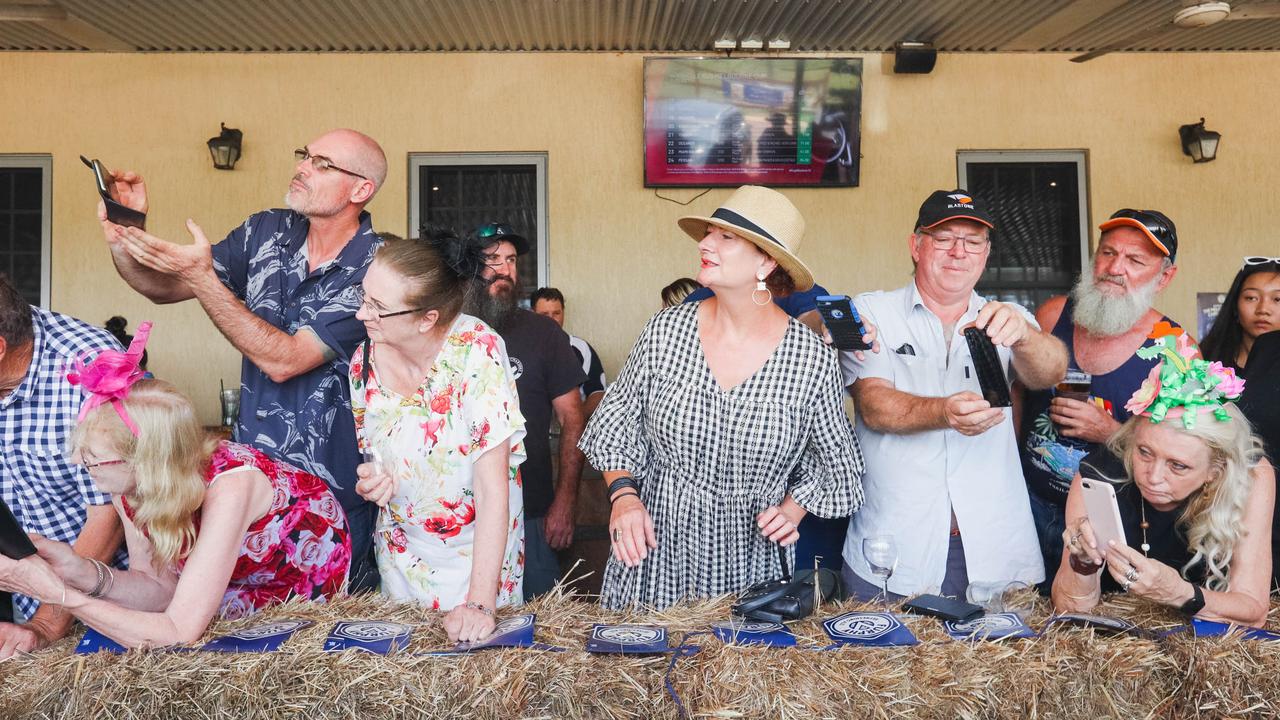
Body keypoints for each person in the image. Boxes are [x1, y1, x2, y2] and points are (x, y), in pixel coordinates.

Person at [97, 129, 387, 591]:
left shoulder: (377, 266)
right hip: (251, 488)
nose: (303, 167)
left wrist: (203, 277)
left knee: (325, 644)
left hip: (337, 499)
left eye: (323, 163)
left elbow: (286, 360)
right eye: (304, 155)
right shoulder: (265, 231)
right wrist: (124, 231)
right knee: (247, 638)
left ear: (360, 189)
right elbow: (165, 286)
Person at [580, 185, 865, 610]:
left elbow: (840, 467)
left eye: (726, 237)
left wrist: (793, 509)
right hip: (653, 552)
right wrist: (623, 496)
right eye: (709, 232)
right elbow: (616, 421)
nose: (706, 243)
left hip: (751, 567)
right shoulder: (665, 332)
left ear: (766, 262)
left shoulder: (809, 360)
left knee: (734, 675)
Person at [0, 327, 350, 647]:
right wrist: (78, 570)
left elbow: (177, 632)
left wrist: (59, 593)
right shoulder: (129, 485)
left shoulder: (230, 490)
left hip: (292, 582)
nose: (78, 462)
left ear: (144, 460)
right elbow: (159, 590)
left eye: (91, 456)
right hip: (230, 576)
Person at [840, 189, 1068, 601]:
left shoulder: (1007, 316)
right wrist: (944, 412)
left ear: (985, 254)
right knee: (883, 661)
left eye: (973, 241)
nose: (958, 251)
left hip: (993, 548)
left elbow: (1051, 369)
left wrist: (1024, 339)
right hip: (893, 547)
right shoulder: (874, 312)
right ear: (916, 245)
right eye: (944, 238)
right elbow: (873, 406)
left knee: (1000, 666)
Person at [350, 229, 526, 643]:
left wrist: (481, 604)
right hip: (402, 558)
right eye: (363, 297)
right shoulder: (363, 362)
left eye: (378, 307)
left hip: (477, 559)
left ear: (427, 318)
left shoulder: (475, 350)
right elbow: (374, 450)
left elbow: (491, 486)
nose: (362, 315)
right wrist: (373, 479)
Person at [1054, 329, 1274, 626]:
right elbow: (1069, 608)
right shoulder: (1099, 475)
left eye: (1178, 466)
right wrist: (1081, 563)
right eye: (1144, 452)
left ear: (1215, 470)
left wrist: (1178, 593)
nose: (1153, 477)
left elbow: (1254, 610)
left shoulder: (1250, 476)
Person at [1019, 208, 1186, 588]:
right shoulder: (1052, 315)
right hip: (1028, 506)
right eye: (1108, 253)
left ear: (1165, 276)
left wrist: (1110, 431)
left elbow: (1185, 450)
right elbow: (1016, 396)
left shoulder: (1175, 348)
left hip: (1109, 524)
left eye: (1135, 260)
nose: (1116, 267)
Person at [0, 275, 124, 658]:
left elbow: (111, 515)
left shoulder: (89, 367)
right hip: (24, 596)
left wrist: (45, 623)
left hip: (109, 609)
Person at [465, 222, 587, 600]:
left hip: (531, 510)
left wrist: (565, 502)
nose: (505, 270)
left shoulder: (544, 334)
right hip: (456, 513)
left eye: (512, 260)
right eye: (492, 260)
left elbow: (572, 418)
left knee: (539, 619)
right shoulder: (446, 329)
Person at [531, 287, 607, 418]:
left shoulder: (581, 349)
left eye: (556, 313)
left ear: (563, 313)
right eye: (544, 314)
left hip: (574, 432)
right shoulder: (523, 349)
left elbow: (598, 393)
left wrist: (574, 420)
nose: (551, 319)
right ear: (532, 314)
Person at [1200, 256, 1280, 373]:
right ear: (1235, 305)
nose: (1263, 309)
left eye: (1277, 299)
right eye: (1251, 298)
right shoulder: (1203, 361)